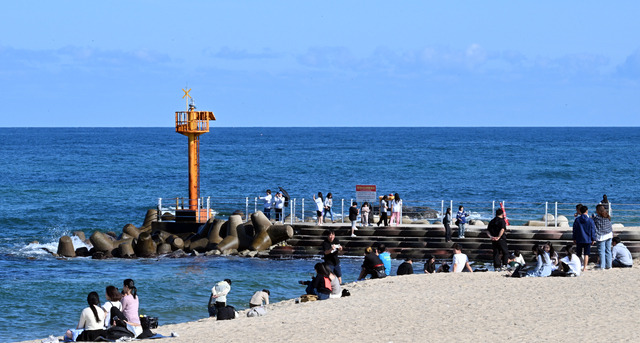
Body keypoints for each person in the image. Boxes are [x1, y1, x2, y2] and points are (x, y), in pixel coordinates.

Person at [572, 205, 596, 271]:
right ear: (586, 211)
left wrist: (574, 238)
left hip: (579, 238)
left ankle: (578, 266)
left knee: (578, 254)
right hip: (587, 239)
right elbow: (592, 230)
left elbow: (574, 230)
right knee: (586, 254)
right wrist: (593, 238)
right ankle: (585, 267)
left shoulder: (577, 220)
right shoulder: (590, 220)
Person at [593, 204, 613, 269]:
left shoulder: (597, 218)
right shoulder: (607, 216)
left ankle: (602, 266)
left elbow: (593, 221)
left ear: (598, 211)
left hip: (601, 236)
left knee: (601, 251)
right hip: (609, 234)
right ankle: (609, 265)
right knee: (608, 250)